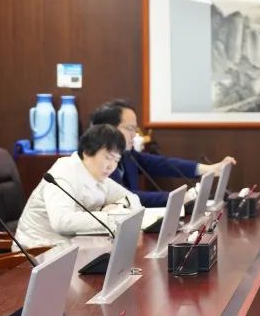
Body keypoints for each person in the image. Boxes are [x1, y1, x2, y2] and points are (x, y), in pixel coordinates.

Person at [14, 124, 143, 248]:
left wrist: (118, 206)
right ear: (87, 151)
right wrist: (111, 217)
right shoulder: (64, 173)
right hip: (37, 249)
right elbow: (62, 221)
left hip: (71, 246)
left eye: (116, 160)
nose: (111, 166)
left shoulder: (98, 176)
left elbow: (133, 199)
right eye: (108, 158)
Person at [90, 99, 236, 207]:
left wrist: (208, 169)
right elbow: (123, 196)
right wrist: (176, 198)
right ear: (108, 129)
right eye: (130, 129)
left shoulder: (127, 154)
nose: (134, 134)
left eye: (135, 129)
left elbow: (159, 164)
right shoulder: (97, 161)